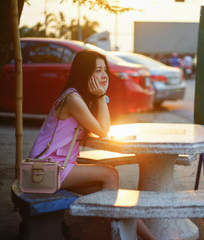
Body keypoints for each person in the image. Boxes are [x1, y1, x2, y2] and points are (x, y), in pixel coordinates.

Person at [28, 49, 156, 240]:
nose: (103, 75)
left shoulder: (79, 99)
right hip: (46, 169)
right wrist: (100, 97)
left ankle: (150, 238)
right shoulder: (73, 99)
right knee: (110, 174)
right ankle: (113, 235)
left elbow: (102, 127)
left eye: (104, 70)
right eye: (97, 70)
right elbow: (103, 130)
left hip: (60, 167)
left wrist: (99, 98)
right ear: (84, 73)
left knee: (113, 197)